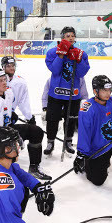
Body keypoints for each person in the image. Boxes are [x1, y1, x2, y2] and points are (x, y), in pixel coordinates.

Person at [0, 67, 50, 180]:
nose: (5, 82)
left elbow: (7, 110)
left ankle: (34, 168)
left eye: (4, 79)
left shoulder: (8, 92)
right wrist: (11, 139)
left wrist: (11, 115)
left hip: (4, 129)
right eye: (0, 81)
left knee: (36, 131)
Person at [44, 26, 90, 155]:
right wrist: (60, 55)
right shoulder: (53, 52)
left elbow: (81, 73)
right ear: (62, 37)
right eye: (67, 36)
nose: (70, 38)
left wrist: (79, 60)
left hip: (73, 95)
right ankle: (50, 141)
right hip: (56, 94)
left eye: (72, 35)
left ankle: (68, 141)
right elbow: (55, 70)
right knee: (52, 119)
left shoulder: (81, 53)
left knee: (71, 119)